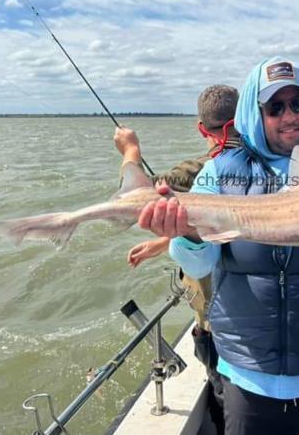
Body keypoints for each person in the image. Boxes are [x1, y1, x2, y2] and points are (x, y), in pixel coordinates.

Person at [138, 57, 299, 435]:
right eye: (275, 107)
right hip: (249, 380)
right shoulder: (220, 174)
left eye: (298, 104)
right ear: (255, 112)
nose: (290, 117)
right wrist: (184, 233)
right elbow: (201, 265)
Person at [114, 84, 240, 430]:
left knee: (223, 396)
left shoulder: (197, 172)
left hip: (216, 319)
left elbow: (135, 199)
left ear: (202, 129)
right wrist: (163, 242)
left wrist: (130, 151)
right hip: (254, 320)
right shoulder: (264, 169)